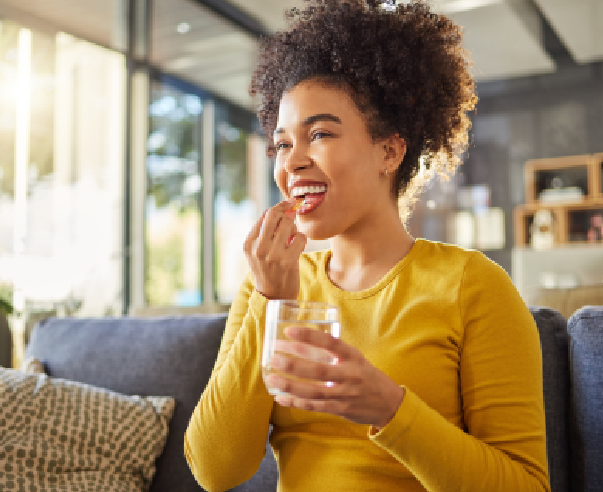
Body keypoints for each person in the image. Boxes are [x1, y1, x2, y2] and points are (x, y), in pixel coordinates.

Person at [185, 1, 550, 491]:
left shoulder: (471, 286)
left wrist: (389, 409)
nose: (292, 162)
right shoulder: (269, 286)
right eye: (282, 144)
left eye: (319, 134)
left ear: (389, 151)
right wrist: (272, 303)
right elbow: (215, 469)